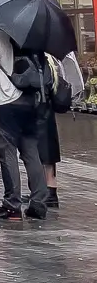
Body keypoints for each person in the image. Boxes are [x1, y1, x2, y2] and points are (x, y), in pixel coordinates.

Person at [0, 28, 56, 223]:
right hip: (29, 100)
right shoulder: (28, 35)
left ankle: (12, 204)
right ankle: (39, 202)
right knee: (31, 151)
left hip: (6, 103)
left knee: (7, 152)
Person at [40, 50, 84, 210]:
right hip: (47, 111)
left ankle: (48, 192)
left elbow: (44, 84)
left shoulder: (44, 60)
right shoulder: (53, 59)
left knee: (43, 152)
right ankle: (49, 190)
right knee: (48, 151)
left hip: (41, 111)